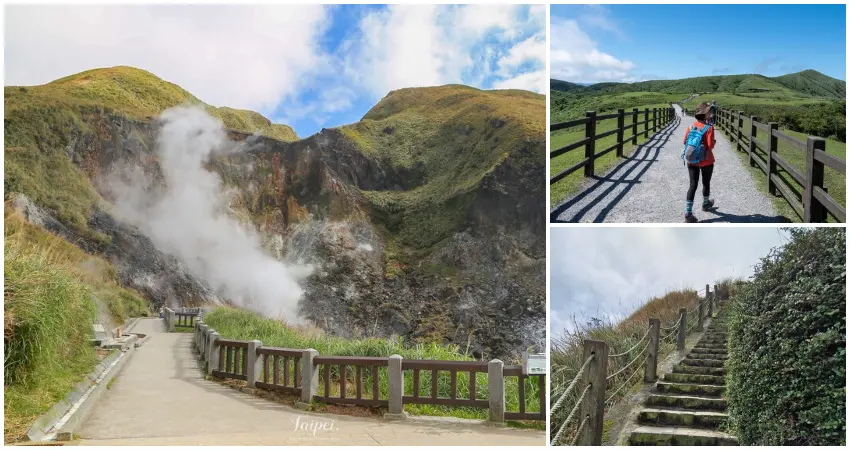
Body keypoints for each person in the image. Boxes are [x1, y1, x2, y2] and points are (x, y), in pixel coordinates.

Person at [682, 102, 716, 223]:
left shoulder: (691, 126)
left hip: (692, 161)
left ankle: (688, 213)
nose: (710, 113)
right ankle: (705, 204)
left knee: (692, 185)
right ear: (704, 114)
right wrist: (714, 141)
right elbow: (710, 146)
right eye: (708, 111)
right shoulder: (709, 128)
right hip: (706, 161)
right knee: (706, 183)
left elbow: (684, 141)